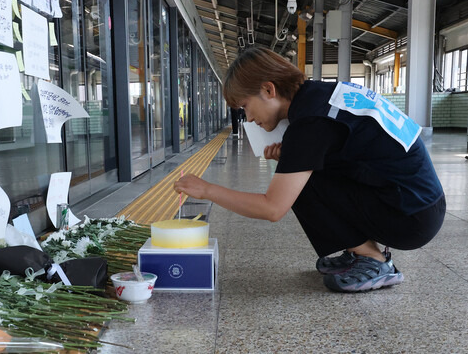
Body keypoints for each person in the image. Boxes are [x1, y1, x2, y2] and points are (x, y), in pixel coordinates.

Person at [174, 47, 446, 293]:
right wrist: (292, 158)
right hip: (420, 203)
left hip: (410, 218)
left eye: (246, 107)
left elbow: (272, 208)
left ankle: (373, 260)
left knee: (298, 185)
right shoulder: (319, 96)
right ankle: (361, 249)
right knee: (300, 173)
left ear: (269, 90)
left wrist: (207, 189)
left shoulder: (310, 122)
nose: (250, 118)